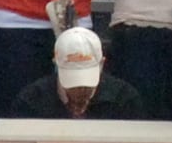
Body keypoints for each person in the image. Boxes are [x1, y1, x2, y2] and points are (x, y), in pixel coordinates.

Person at [9, 24, 148, 119]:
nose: (81, 89)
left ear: (102, 64)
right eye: (73, 82)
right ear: (56, 65)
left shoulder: (125, 99)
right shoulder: (31, 101)